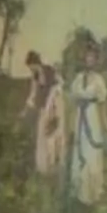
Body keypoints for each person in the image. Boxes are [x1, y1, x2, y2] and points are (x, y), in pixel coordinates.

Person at [62, 35, 107, 208]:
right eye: (87, 57)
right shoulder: (78, 78)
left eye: (93, 57)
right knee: (79, 151)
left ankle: (92, 193)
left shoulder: (98, 80)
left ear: (96, 60)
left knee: (92, 153)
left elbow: (102, 103)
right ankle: (79, 192)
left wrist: (105, 124)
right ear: (84, 59)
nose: (89, 60)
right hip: (80, 119)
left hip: (92, 117)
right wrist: (69, 123)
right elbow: (72, 102)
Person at [22, 51, 65, 185]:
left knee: (53, 134)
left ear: (36, 63)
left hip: (54, 107)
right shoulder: (35, 76)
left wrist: (51, 107)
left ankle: (55, 166)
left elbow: (57, 88)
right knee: (43, 136)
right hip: (44, 109)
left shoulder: (50, 71)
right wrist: (26, 109)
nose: (31, 69)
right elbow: (33, 94)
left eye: (32, 66)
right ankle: (44, 168)